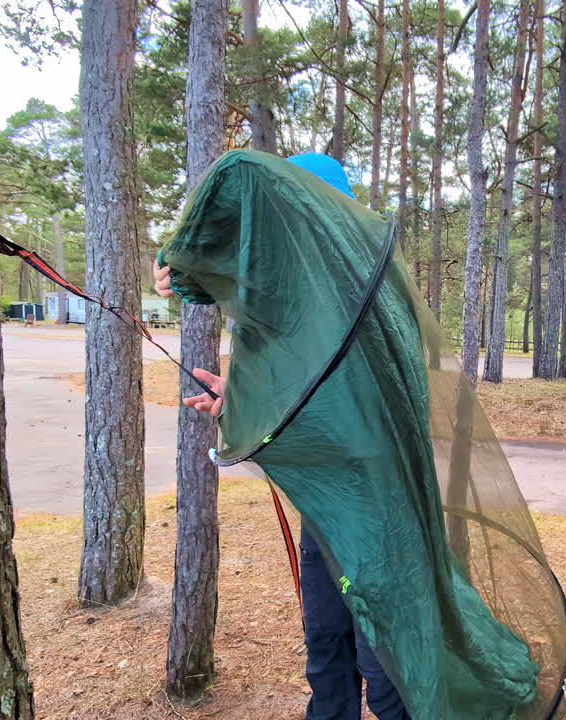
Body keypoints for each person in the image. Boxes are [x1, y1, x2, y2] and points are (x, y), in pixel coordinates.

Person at [155, 152, 411, 720]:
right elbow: (298, 388)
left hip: (377, 508)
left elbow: (359, 415)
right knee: (325, 642)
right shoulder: (294, 301)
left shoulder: (367, 292)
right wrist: (239, 402)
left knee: (384, 660)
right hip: (324, 503)